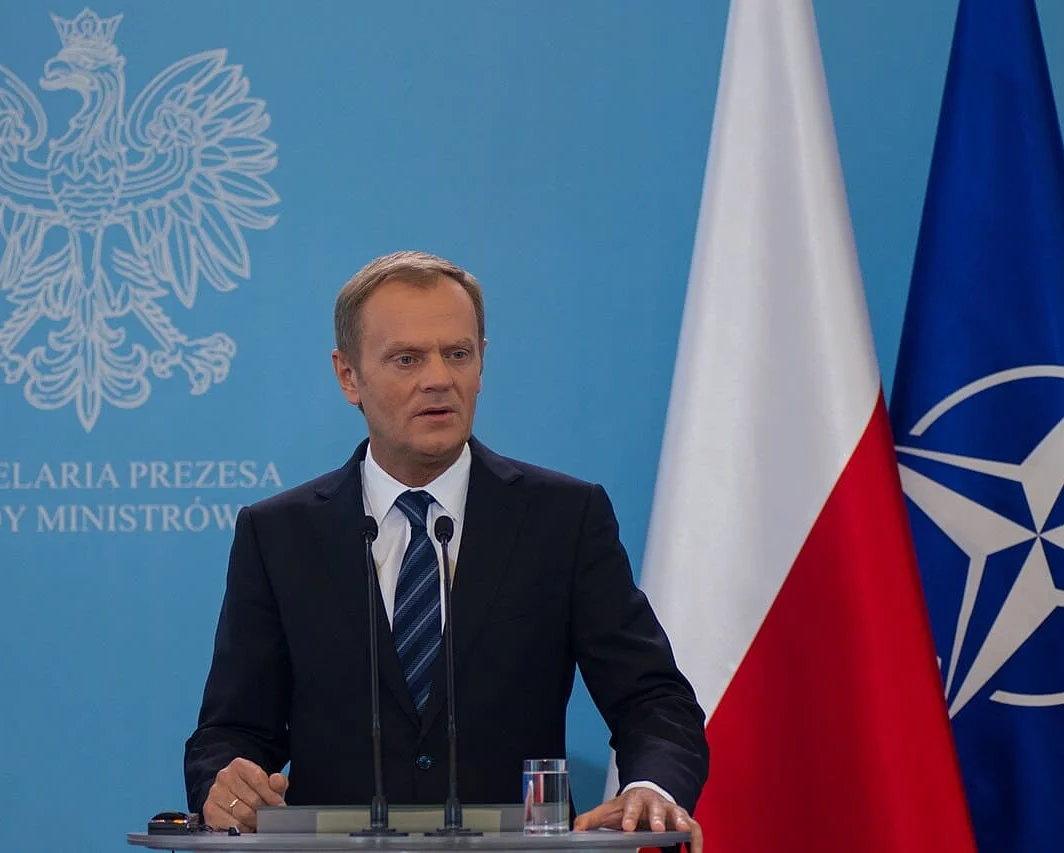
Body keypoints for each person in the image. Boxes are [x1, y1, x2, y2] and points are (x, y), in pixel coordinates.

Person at [184, 251, 708, 847]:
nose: (439, 378)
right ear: (348, 375)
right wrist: (223, 785)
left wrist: (653, 787)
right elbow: (230, 732)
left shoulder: (563, 518)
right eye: (407, 358)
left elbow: (653, 699)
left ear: (481, 362)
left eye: (457, 353)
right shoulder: (278, 535)